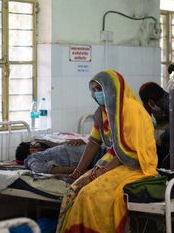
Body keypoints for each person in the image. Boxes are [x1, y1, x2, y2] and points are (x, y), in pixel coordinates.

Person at [56, 70, 157, 233]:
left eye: (100, 89)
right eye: (94, 90)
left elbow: (128, 151)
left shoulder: (131, 111)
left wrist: (95, 175)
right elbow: (94, 142)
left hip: (136, 163)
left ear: (113, 88)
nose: (97, 94)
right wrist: (77, 172)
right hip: (112, 160)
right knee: (74, 190)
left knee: (91, 194)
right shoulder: (101, 112)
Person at [15, 139, 105, 174]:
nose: (37, 143)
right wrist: (80, 170)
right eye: (33, 143)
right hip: (93, 158)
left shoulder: (46, 153)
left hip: (94, 152)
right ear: (31, 150)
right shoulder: (32, 159)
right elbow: (41, 169)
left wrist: (82, 143)